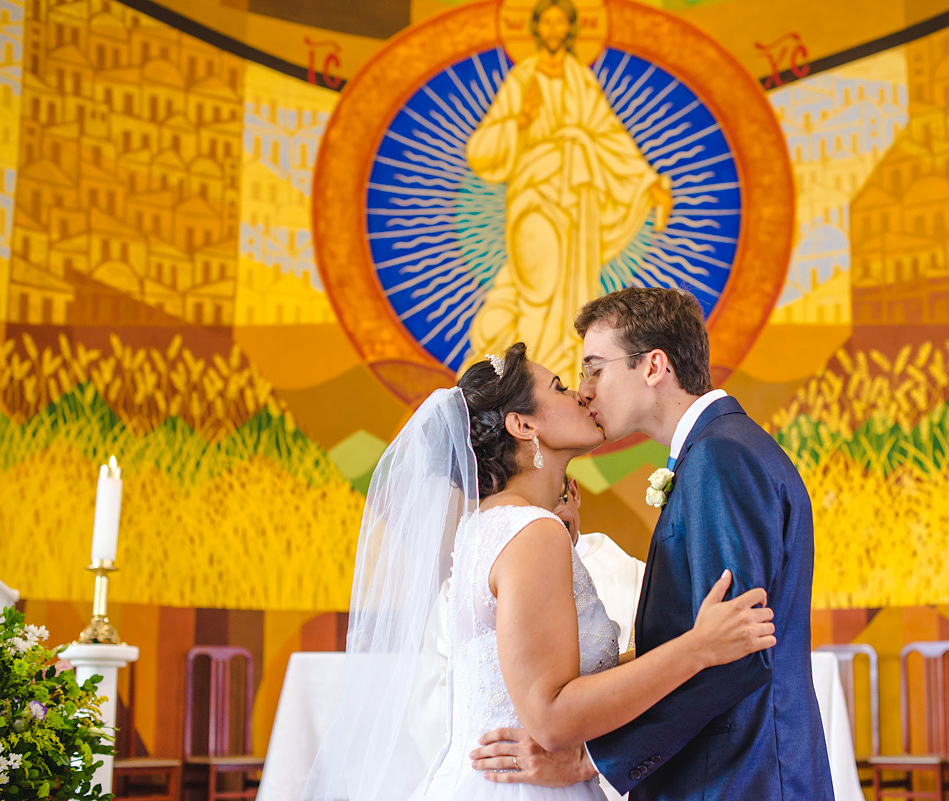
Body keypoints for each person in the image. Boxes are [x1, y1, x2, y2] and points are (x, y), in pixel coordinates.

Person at [300, 342, 774, 801]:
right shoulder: (532, 534)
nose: (582, 394)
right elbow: (549, 716)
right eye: (561, 386)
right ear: (523, 424)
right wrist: (699, 647)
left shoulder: (491, 526)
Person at [470, 288, 836, 800]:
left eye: (595, 369)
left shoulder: (719, 459)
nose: (585, 391)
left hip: (737, 777)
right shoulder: (716, 452)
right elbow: (705, 638)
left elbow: (738, 647)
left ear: (653, 366)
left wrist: (587, 758)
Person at [464, 0, 672, 379]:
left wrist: (646, 180)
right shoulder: (523, 79)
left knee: (574, 293)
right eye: (548, 22)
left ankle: (559, 376)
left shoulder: (581, 79)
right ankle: (526, 378)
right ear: (537, 29)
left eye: (562, 22)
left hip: (578, 200)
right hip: (534, 191)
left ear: (571, 29)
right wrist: (520, 122)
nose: (555, 29)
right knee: (538, 284)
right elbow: (482, 148)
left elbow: (610, 135)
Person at [554, 477, 644, 654]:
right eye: (534, 509)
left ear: (573, 492)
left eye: (556, 502)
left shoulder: (639, 577)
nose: (548, 519)